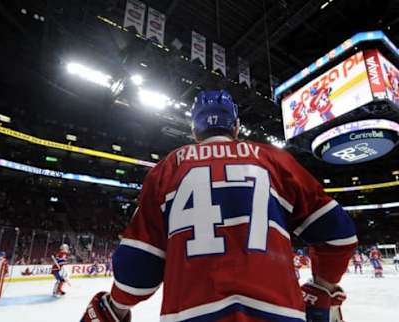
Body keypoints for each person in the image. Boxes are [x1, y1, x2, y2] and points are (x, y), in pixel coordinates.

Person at [81, 90, 357, 322]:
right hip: (278, 312)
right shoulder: (275, 160)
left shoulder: (168, 168)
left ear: (194, 130)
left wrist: (114, 306)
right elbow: (339, 235)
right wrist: (322, 286)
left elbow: (139, 262)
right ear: (235, 127)